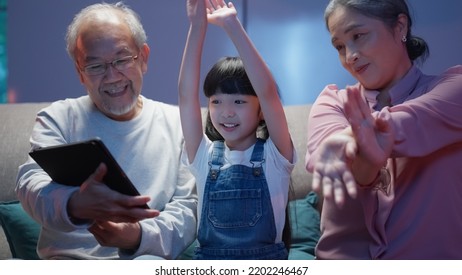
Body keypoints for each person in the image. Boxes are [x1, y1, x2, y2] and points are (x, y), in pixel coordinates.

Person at [15, 2, 197, 260]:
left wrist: (135, 234)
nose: (112, 76)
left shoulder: (178, 124)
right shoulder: (58, 118)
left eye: (122, 59)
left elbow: (187, 210)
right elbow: (30, 183)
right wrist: (75, 203)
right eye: (95, 66)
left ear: (143, 58)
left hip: (141, 260)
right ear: (80, 72)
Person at [305, 0, 462, 259]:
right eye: (340, 46)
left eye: (358, 36)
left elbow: (413, 120)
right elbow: (345, 170)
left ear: (400, 27)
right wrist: (360, 153)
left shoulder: (453, 88)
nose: (350, 56)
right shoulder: (331, 103)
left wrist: (352, 137)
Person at [178, 0, 296, 260]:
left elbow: (268, 92)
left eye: (239, 101)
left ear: (261, 110)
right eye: (216, 101)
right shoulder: (203, 156)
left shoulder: (276, 157)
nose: (226, 111)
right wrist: (197, 27)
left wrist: (232, 25)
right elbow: (186, 96)